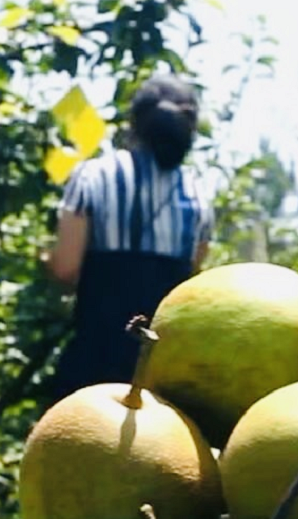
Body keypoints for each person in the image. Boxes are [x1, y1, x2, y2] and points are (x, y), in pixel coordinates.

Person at [42, 73, 215, 402]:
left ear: (134, 122)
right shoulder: (198, 195)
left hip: (95, 362)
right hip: (161, 377)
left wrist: (43, 262)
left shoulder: (92, 176)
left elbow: (65, 270)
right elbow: (188, 289)